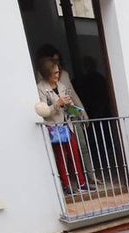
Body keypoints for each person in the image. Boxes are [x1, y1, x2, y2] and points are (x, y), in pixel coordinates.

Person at [37, 58, 93, 194]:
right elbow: (44, 111)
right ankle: (67, 185)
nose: (57, 75)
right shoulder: (41, 88)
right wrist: (58, 104)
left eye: (58, 72)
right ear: (46, 73)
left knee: (75, 153)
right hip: (55, 126)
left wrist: (72, 107)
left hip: (67, 124)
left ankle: (82, 183)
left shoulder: (61, 85)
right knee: (61, 156)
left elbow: (69, 102)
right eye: (54, 73)